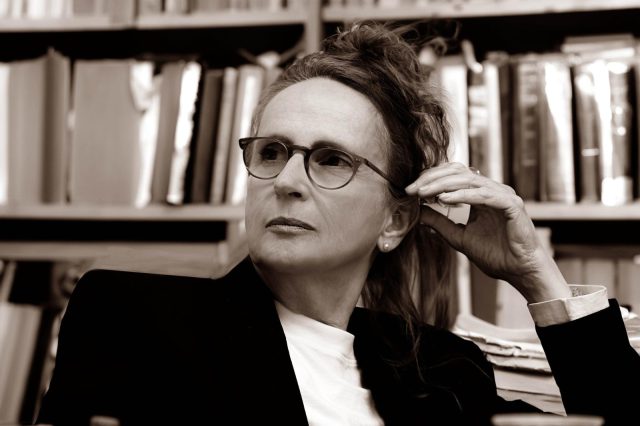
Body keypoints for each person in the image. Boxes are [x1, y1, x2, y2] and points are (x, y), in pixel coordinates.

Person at [37, 22, 639, 425]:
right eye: (272, 152)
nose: (287, 180)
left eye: (331, 160)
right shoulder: (133, 318)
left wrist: (536, 276)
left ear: (395, 220)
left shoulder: (445, 370)